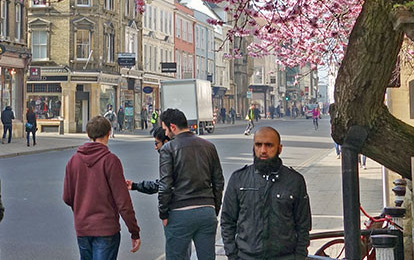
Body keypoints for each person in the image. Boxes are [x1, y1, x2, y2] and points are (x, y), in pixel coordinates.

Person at [221, 126, 311, 260]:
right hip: (246, 256)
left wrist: (299, 255)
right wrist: (232, 254)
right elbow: (227, 220)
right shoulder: (238, 179)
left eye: (269, 145)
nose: (263, 150)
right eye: (258, 145)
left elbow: (303, 224)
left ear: (279, 148)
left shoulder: (295, 181)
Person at [63, 115, 142, 259]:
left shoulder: (73, 161)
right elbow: (123, 202)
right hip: (106, 228)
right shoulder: (110, 161)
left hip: (83, 228)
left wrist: (82, 208)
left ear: (88, 134)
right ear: (108, 134)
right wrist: (134, 231)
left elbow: (67, 197)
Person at [157, 107, 224, 260]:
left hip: (180, 212)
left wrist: (163, 213)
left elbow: (165, 185)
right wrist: (214, 208)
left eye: (166, 129)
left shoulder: (168, 149)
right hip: (206, 212)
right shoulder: (209, 146)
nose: (166, 134)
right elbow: (218, 182)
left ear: (173, 127)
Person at [126, 127, 170, 194]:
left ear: (166, 142)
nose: (155, 147)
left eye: (156, 143)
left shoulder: (171, 159)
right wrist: (135, 186)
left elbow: (163, 185)